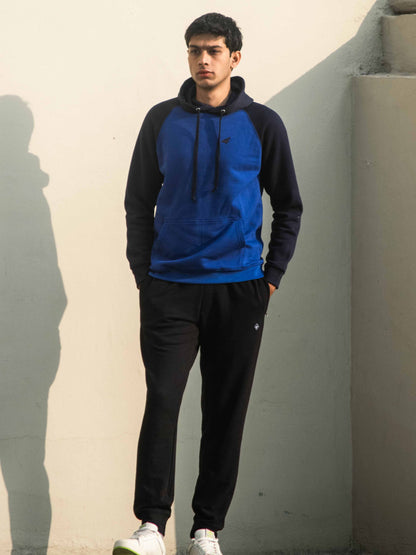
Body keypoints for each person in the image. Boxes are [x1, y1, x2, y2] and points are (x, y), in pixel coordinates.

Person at [113, 12, 302, 555]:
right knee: (162, 402)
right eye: (195, 50)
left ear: (234, 58)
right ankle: (151, 527)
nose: (203, 60)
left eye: (214, 50)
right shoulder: (162, 120)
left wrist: (270, 279)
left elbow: (289, 205)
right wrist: (144, 275)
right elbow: (137, 201)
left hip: (239, 289)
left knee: (224, 411)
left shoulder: (263, 124)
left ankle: (205, 531)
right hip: (170, 287)